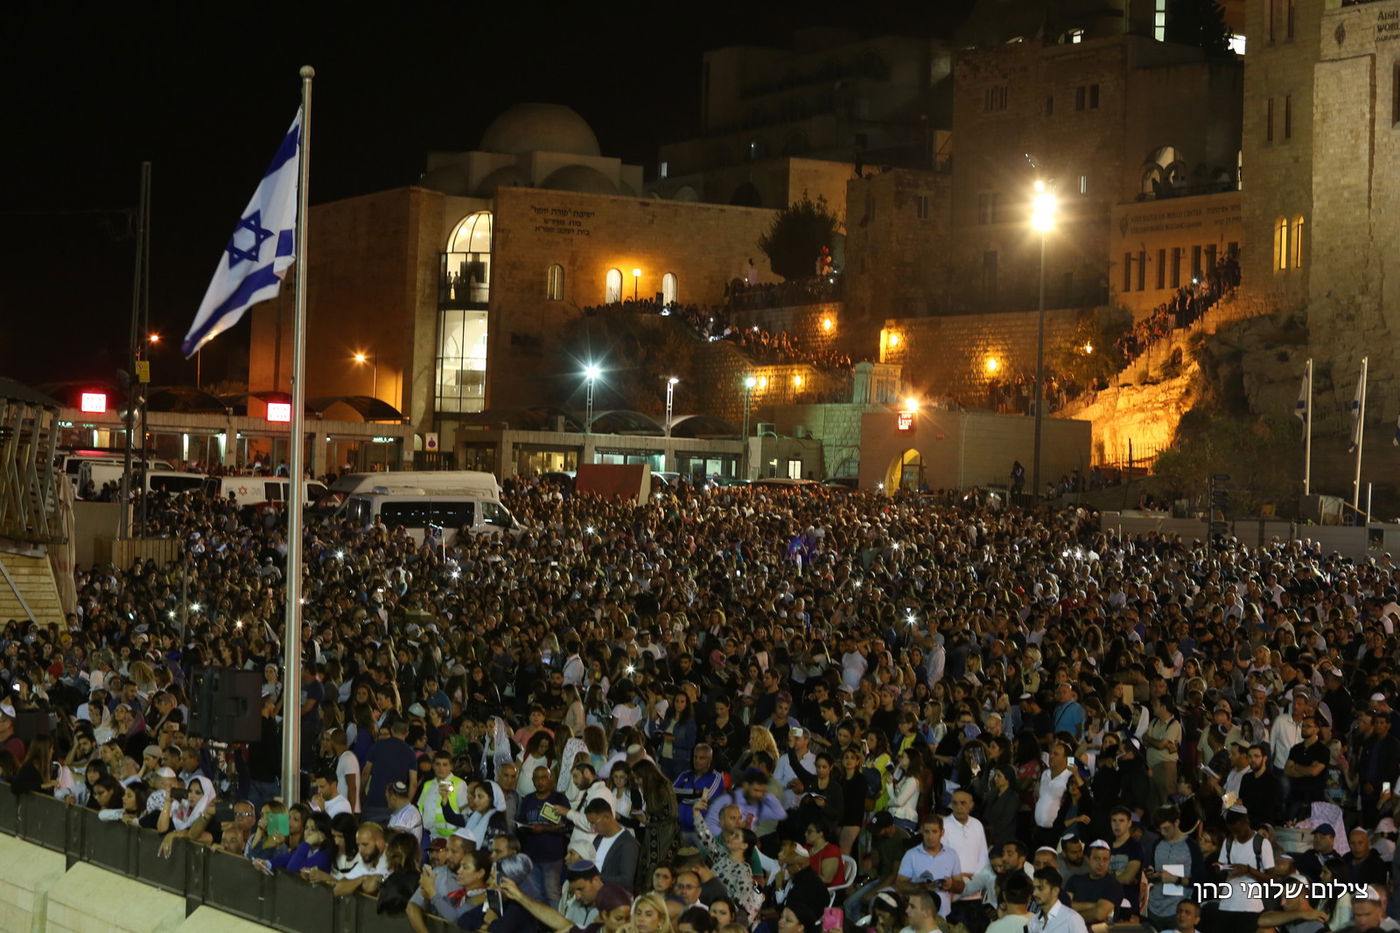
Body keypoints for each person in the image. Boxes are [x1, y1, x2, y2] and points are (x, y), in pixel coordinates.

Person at [895, 815, 963, 919]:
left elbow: (961, 886)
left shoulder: (951, 854)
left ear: (942, 832)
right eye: (927, 832)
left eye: (934, 832)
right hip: (918, 916)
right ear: (922, 832)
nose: (930, 837)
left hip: (943, 916)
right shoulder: (911, 855)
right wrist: (924, 887)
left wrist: (951, 885)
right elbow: (900, 885)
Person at [584, 799, 639, 889]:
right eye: (590, 824)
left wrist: (595, 878)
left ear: (607, 817)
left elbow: (626, 881)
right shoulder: (598, 839)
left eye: (594, 823)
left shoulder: (628, 843)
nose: (592, 828)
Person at [1029, 866, 1089, 933]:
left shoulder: (1072, 919)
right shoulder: (1034, 920)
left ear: (1055, 890)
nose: (1034, 893)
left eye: (1040, 888)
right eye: (1034, 888)